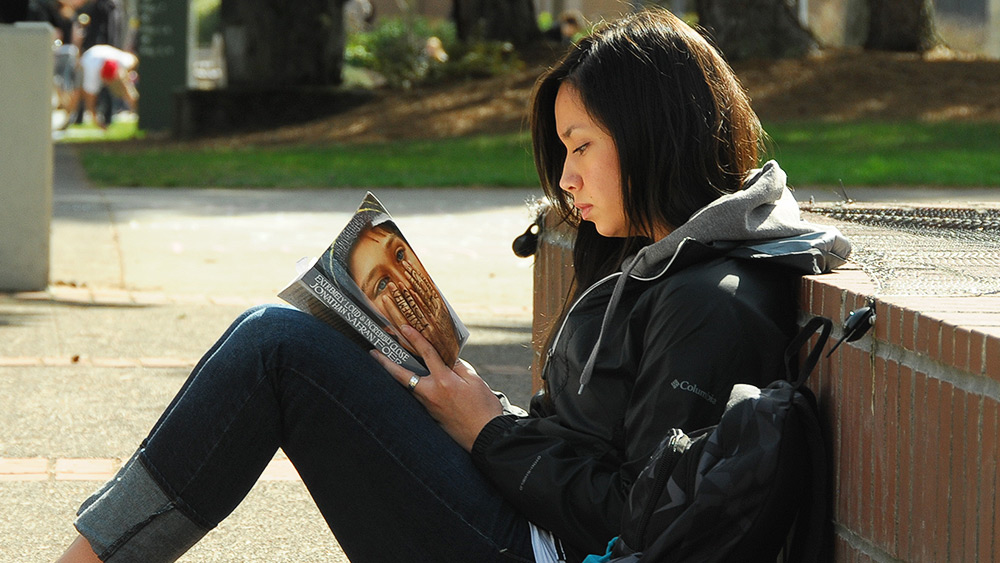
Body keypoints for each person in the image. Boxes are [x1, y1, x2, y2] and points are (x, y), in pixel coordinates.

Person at [55, 8, 850, 563]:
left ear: (652, 135)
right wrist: (476, 406)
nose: (566, 176)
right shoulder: (658, 261)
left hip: (541, 551)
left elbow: (640, 518)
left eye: (580, 146)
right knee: (274, 334)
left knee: (275, 349)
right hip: (523, 519)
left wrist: (485, 431)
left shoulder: (714, 301)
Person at [65, 44, 137, 129]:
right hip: (87, 60)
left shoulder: (124, 61)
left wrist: (127, 75)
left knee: (127, 89)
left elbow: (135, 60)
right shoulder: (91, 73)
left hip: (110, 60)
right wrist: (97, 122)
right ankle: (68, 118)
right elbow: (90, 101)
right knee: (78, 92)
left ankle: (138, 112)